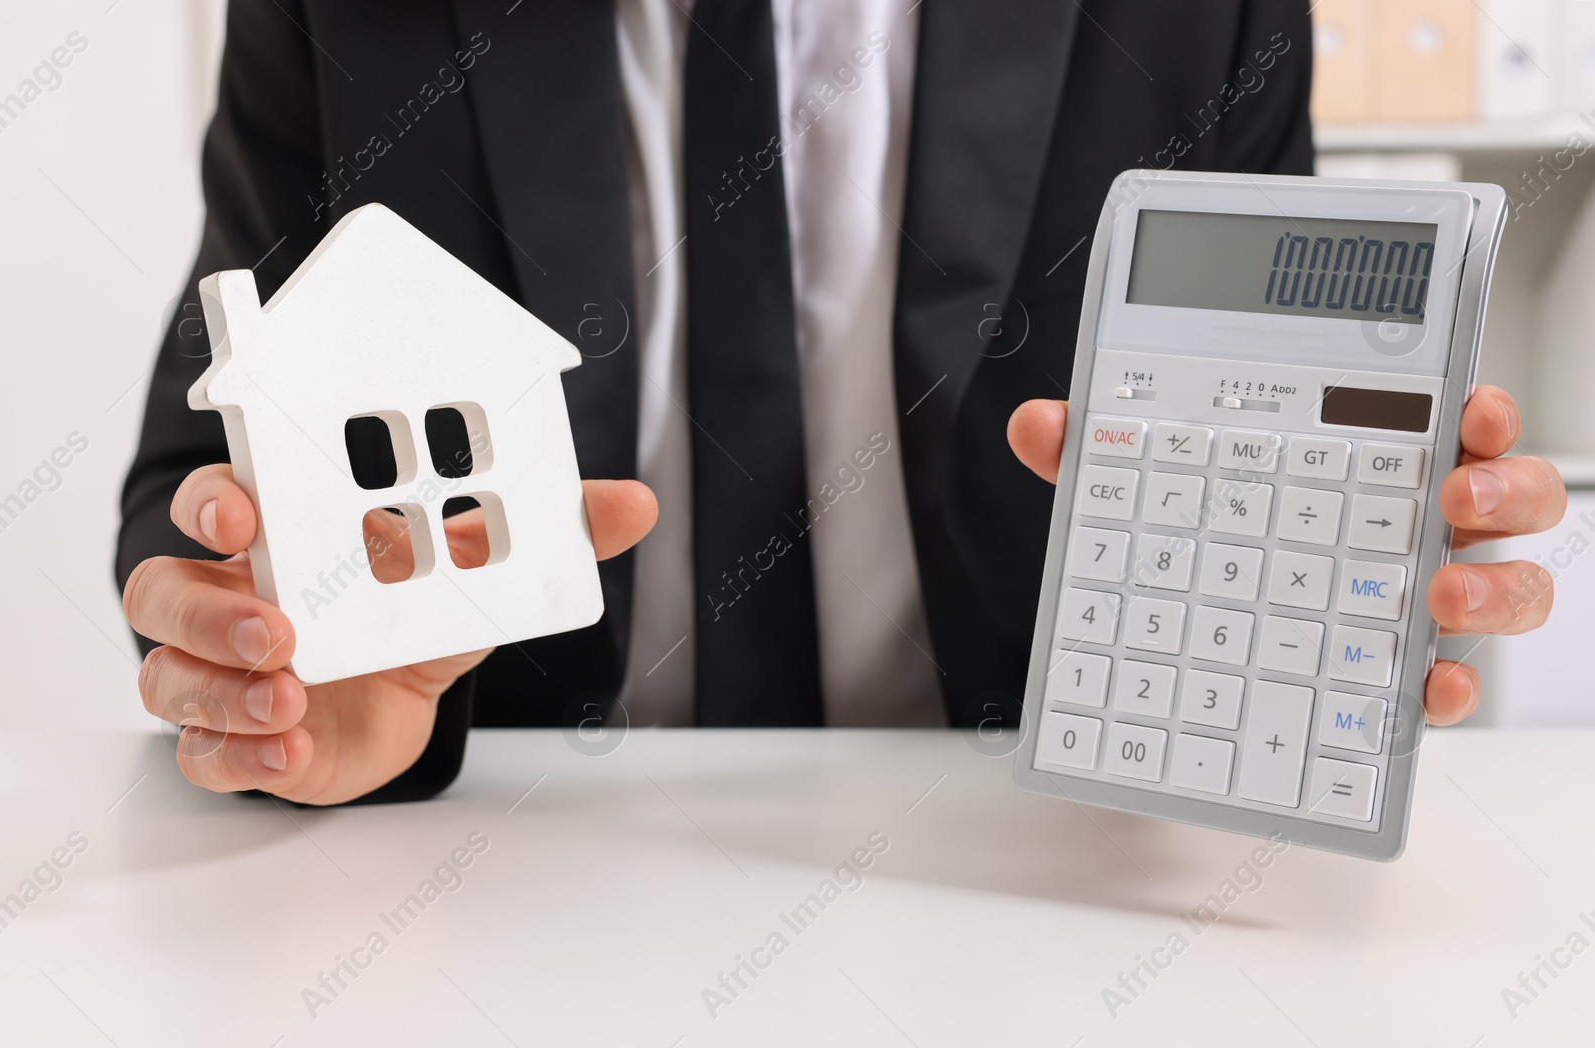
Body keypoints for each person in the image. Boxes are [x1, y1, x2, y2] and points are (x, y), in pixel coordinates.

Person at [117, 0, 1566, 805]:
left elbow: (1288, 445)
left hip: (1012, 850)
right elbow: (201, 466)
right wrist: (290, 677)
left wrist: (1318, 589)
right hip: (511, 849)